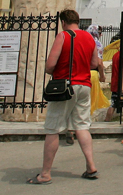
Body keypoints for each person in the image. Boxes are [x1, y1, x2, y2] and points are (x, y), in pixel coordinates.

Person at [28, 10, 100, 184]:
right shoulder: (90, 38)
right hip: (84, 85)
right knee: (82, 126)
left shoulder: (64, 36)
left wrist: (57, 68)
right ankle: (91, 166)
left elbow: (50, 65)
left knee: (53, 128)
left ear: (63, 22)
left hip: (66, 86)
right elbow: (94, 64)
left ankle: (45, 174)